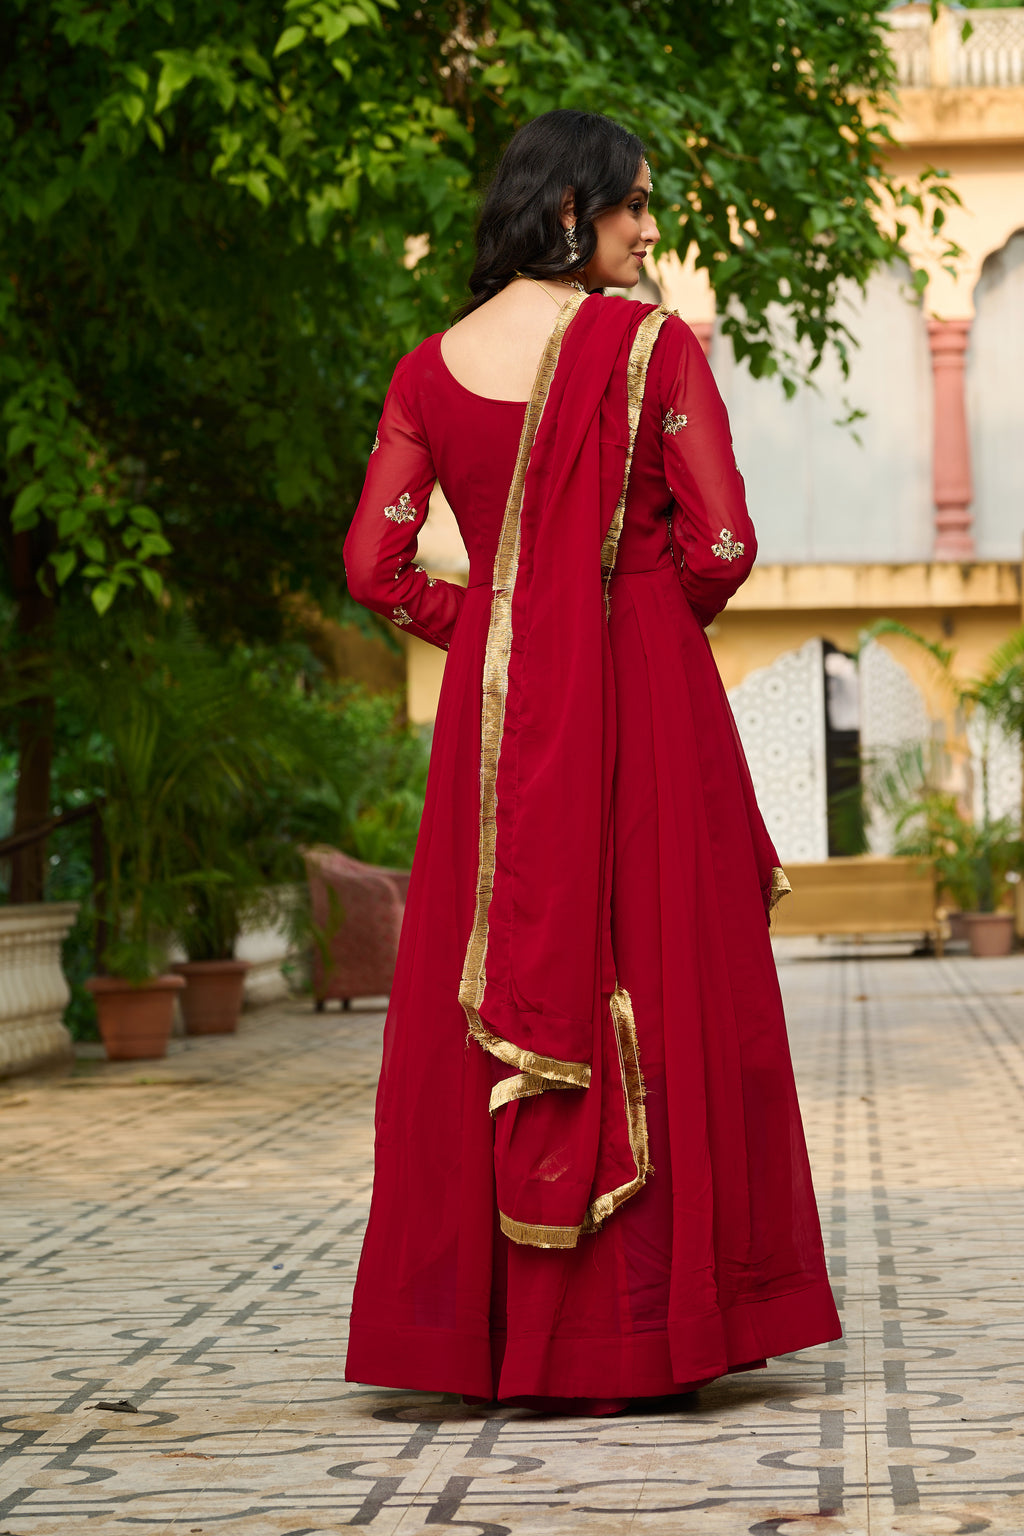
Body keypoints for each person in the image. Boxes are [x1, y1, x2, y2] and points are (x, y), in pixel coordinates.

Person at [342, 108, 841, 1414]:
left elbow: (375, 568)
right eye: (635, 205)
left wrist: (499, 626)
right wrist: (630, 625)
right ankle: (654, 1326)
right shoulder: (650, 347)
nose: (650, 230)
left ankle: (487, 1338)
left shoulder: (426, 371)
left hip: (502, 721)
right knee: (664, 971)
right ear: (573, 212)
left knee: (501, 971)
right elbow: (723, 543)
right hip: (642, 701)